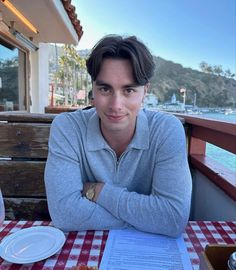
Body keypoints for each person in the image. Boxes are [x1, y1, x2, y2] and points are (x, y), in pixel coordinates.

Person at [44, 35, 192, 237]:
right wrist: (151, 217)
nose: (115, 105)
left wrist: (98, 191)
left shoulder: (167, 131)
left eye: (129, 90)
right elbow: (64, 215)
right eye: (105, 89)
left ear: (144, 91)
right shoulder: (67, 128)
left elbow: (173, 219)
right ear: (93, 90)